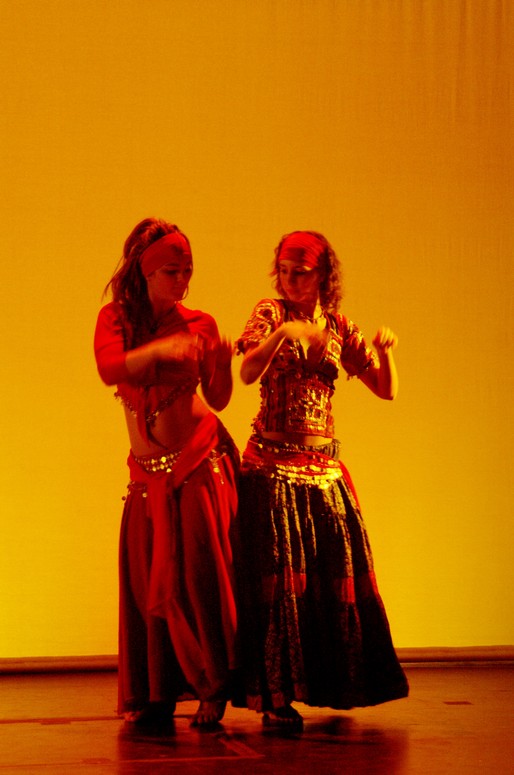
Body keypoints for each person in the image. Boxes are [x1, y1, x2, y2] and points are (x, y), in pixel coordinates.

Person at [234, 230, 409, 731]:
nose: (291, 281)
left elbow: (385, 389)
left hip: (323, 470)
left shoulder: (337, 325)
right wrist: (281, 336)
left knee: (329, 579)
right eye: (285, 272)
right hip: (273, 468)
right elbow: (246, 373)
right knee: (280, 586)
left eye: (302, 273)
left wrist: (386, 351)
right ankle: (274, 698)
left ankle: (334, 683)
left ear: (323, 276)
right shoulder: (270, 313)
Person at [94, 218, 239, 728]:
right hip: (146, 473)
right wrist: (160, 350)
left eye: (188, 270)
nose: (183, 280)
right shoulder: (116, 319)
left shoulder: (200, 322)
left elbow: (219, 397)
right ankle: (156, 692)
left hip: (197, 462)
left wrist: (221, 363)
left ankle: (214, 688)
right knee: (145, 580)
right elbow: (110, 368)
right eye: (172, 271)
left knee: (198, 577)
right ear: (147, 272)